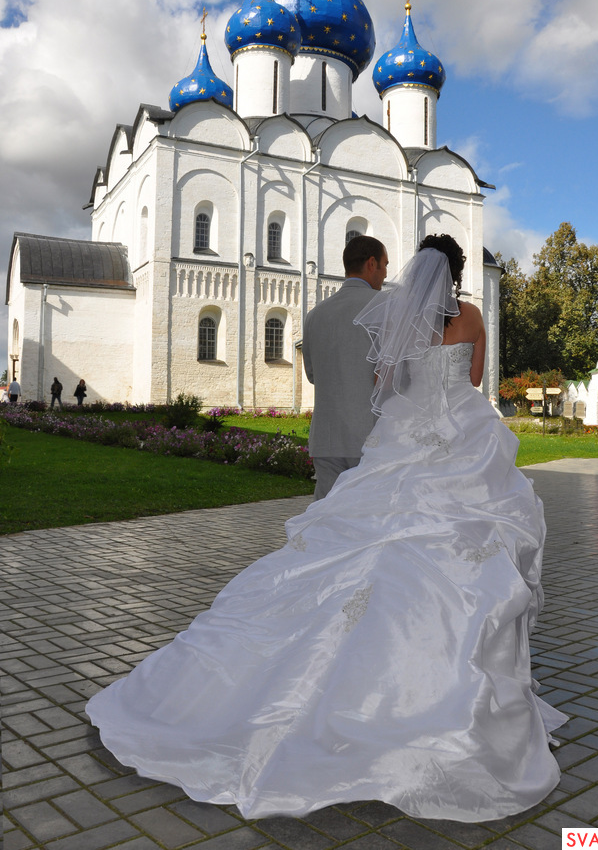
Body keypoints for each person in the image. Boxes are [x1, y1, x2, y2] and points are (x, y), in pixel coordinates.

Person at [86, 234, 566, 822]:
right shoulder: (470, 316)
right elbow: (472, 379)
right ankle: (447, 685)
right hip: (461, 438)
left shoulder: (398, 316)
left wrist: (409, 399)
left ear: (415, 272)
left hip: (404, 439)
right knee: (472, 548)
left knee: (363, 541)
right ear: (459, 272)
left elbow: (384, 382)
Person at [302, 235, 388, 499]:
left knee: (325, 518)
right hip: (370, 435)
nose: (385, 275)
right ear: (371, 264)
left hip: (326, 437)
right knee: (365, 518)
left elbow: (312, 375)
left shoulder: (316, 314)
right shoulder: (383, 307)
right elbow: (391, 375)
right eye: (385, 265)